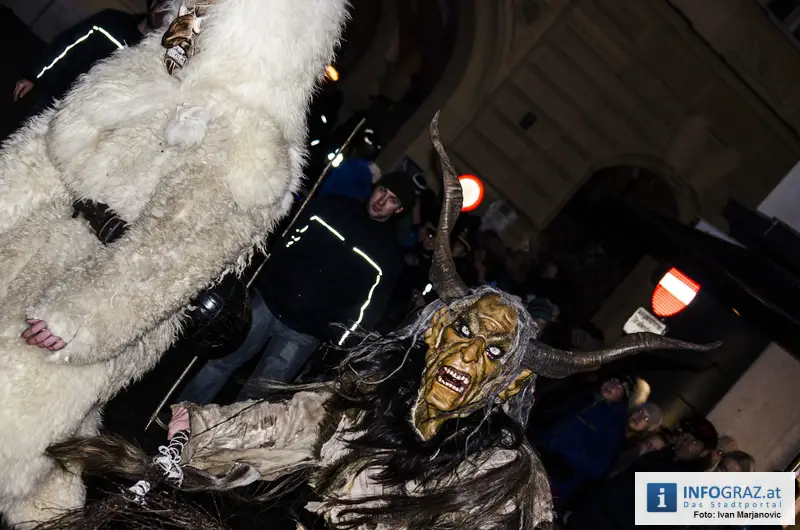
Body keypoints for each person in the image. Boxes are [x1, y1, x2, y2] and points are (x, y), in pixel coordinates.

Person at [34, 114, 718, 530]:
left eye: (493, 348)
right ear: (431, 333)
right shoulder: (369, 404)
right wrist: (206, 431)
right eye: (461, 330)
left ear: (509, 380)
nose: (467, 352)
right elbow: (294, 424)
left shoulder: (505, 477)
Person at [0, 0, 348, 526]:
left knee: (17, 417)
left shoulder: (255, 145)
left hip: (103, 292)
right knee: (53, 450)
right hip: (37, 239)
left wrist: (85, 314)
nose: (188, 15)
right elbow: (48, 146)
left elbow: (180, 255)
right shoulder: (151, 67)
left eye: (206, 10)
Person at [175, 170, 412, 405]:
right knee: (219, 363)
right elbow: (290, 235)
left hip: (305, 333)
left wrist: (340, 342)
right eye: (382, 190)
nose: (381, 201)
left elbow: (370, 306)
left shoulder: (388, 256)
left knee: (257, 397)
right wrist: (267, 272)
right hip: (269, 301)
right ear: (374, 188)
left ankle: (218, 440)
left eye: (392, 200)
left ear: (398, 210)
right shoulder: (333, 207)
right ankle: (180, 417)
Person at [12, 1, 171, 118]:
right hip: (56, 95)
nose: (164, 14)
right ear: (154, 4)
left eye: (171, 13)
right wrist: (34, 75)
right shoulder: (111, 21)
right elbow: (67, 44)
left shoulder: (152, 57)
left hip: (84, 117)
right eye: (164, 6)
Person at [564, 416, 719, 530]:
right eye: (685, 436)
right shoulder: (661, 454)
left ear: (703, 452)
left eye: (694, 443)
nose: (685, 443)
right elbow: (615, 475)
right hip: (590, 513)